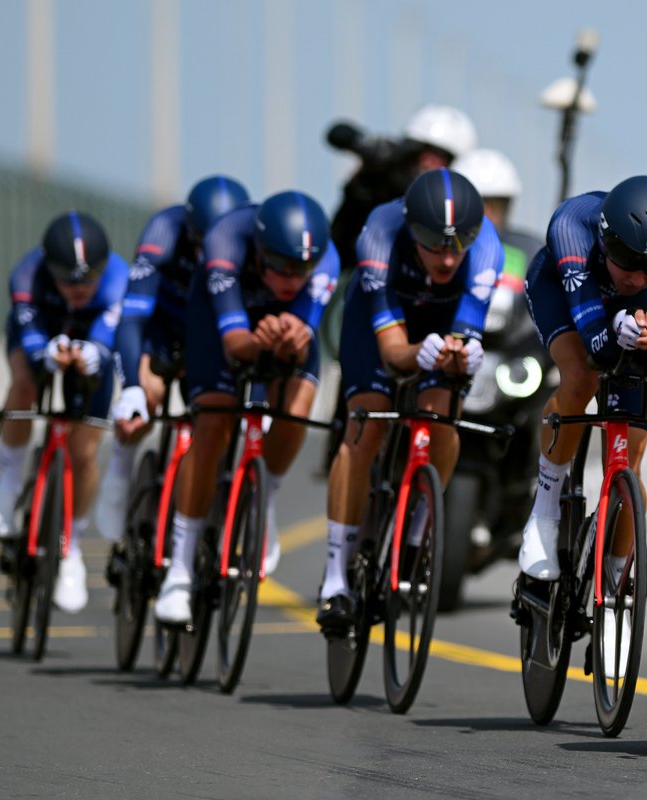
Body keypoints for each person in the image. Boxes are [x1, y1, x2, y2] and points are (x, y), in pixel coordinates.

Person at [316, 168, 503, 628]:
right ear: (412, 228)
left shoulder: (486, 251)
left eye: (457, 246)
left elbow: (463, 337)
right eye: (434, 245)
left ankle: (417, 532)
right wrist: (417, 352)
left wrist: (463, 353)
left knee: (442, 417)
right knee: (366, 428)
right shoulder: (379, 234)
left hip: (440, 318)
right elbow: (393, 352)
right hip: (379, 323)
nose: (447, 258)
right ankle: (336, 576)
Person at [153, 191, 340, 624]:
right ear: (259, 252)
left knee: (297, 409)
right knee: (213, 428)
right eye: (281, 266)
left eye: (302, 270)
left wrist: (292, 336)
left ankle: (263, 500)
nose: (292, 278)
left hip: (281, 325)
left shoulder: (325, 260)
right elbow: (236, 344)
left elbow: (302, 341)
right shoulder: (224, 241)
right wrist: (258, 340)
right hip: (222, 321)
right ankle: (179, 571)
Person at [518, 175, 647, 583]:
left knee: (629, 464)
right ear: (605, 242)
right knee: (581, 376)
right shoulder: (570, 225)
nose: (636, 278)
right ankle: (544, 511)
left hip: (628, 312)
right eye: (627, 263)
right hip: (561, 292)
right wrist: (618, 327)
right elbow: (597, 344)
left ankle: (618, 578)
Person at [93, 175, 250, 546]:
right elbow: (132, 316)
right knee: (147, 397)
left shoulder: (247, 244)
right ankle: (120, 471)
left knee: (219, 420)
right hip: (166, 326)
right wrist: (133, 386)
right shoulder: (164, 231)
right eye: (202, 246)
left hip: (213, 330)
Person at [0, 211, 130, 613]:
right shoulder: (27, 274)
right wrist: (43, 353)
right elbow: (28, 331)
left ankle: (71, 545)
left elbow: (109, 337)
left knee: (83, 453)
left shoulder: (119, 279)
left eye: (88, 279)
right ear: (50, 269)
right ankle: (8, 487)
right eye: (67, 279)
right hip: (42, 331)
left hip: (91, 342)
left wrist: (93, 354)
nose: (78, 288)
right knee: (24, 384)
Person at [327, 105, 478, 273]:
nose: (427, 163)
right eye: (422, 153)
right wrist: (369, 177)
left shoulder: (461, 217)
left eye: (439, 158)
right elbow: (340, 239)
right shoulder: (383, 177)